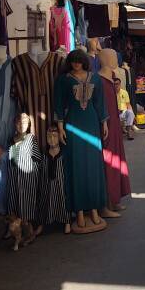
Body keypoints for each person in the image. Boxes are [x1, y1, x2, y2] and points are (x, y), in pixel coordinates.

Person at [54, 49, 109, 228]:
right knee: (76, 166)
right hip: (73, 125)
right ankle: (78, 211)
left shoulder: (94, 78)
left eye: (79, 61)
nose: (76, 64)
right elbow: (59, 103)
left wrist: (104, 123)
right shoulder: (64, 80)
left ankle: (93, 208)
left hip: (92, 123)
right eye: (73, 61)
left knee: (93, 165)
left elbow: (100, 102)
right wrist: (60, 126)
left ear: (84, 61)